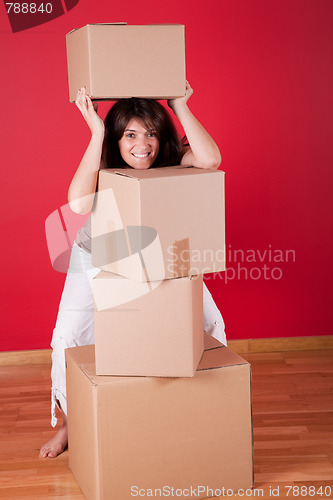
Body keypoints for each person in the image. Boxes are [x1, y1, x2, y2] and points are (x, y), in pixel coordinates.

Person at [39, 82, 226, 459]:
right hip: (97, 255)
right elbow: (77, 205)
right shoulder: (105, 165)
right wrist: (96, 132)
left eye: (151, 133)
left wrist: (179, 105)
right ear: (117, 138)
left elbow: (210, 160)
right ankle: (69, 424)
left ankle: (206, 407)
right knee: (69, 334)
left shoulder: (173, 161)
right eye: (130, 134)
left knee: (208, 322)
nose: (143, 144)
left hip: (159, 257)